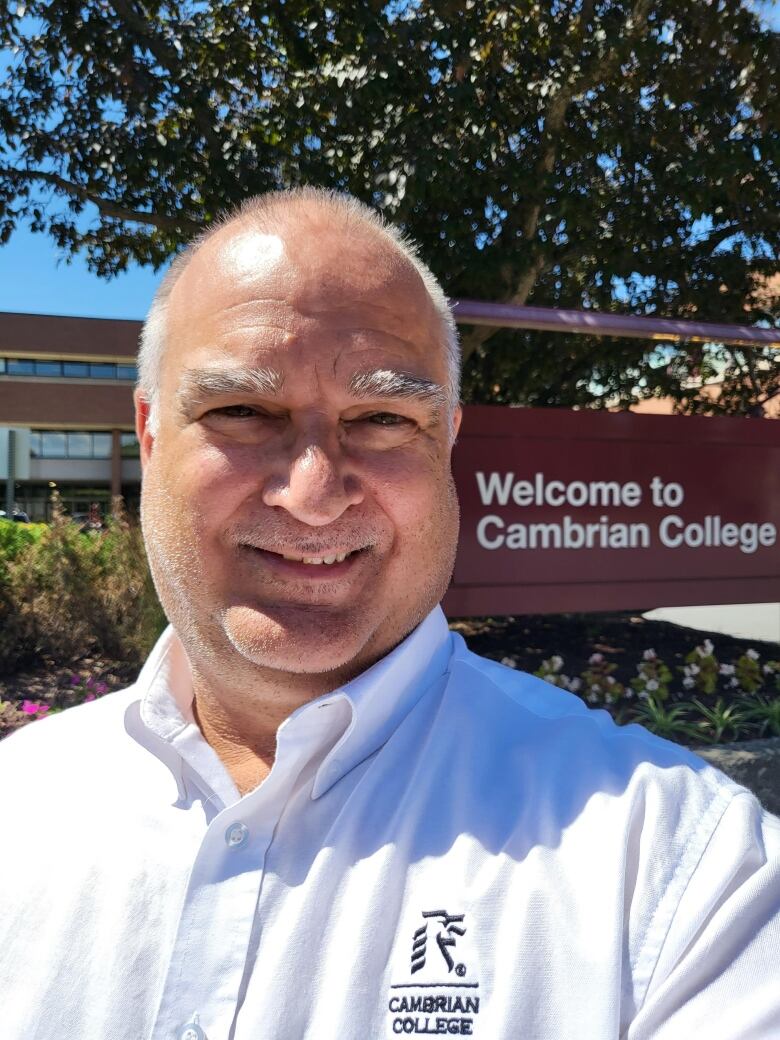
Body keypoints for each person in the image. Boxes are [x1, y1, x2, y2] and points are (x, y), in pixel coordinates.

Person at [0, 188, 777, 1040]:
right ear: (149, 433)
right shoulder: (20, 804)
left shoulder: (680, 868)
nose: (312, 495)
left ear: (446, 440)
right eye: (242, 411)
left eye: (381, 418)